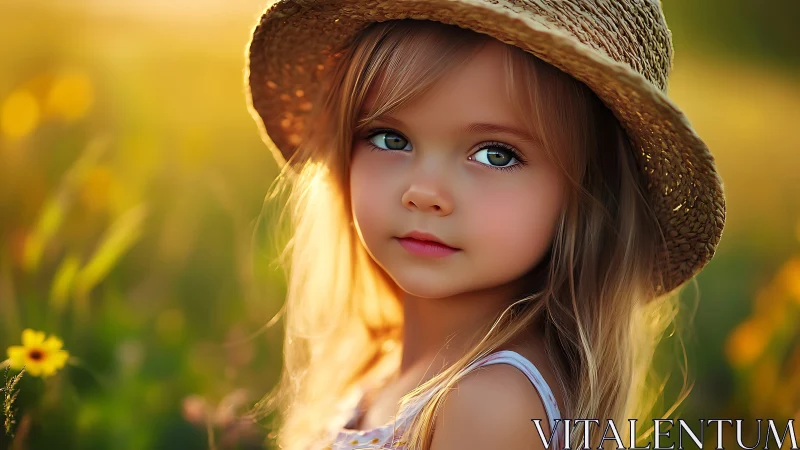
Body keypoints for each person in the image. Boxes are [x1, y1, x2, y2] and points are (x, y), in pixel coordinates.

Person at [244, 1, 726, 449]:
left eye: (496, 155)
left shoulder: (489, 406)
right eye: (390, 138)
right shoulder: (385, 364)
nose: (425, 192)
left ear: (586, 197)